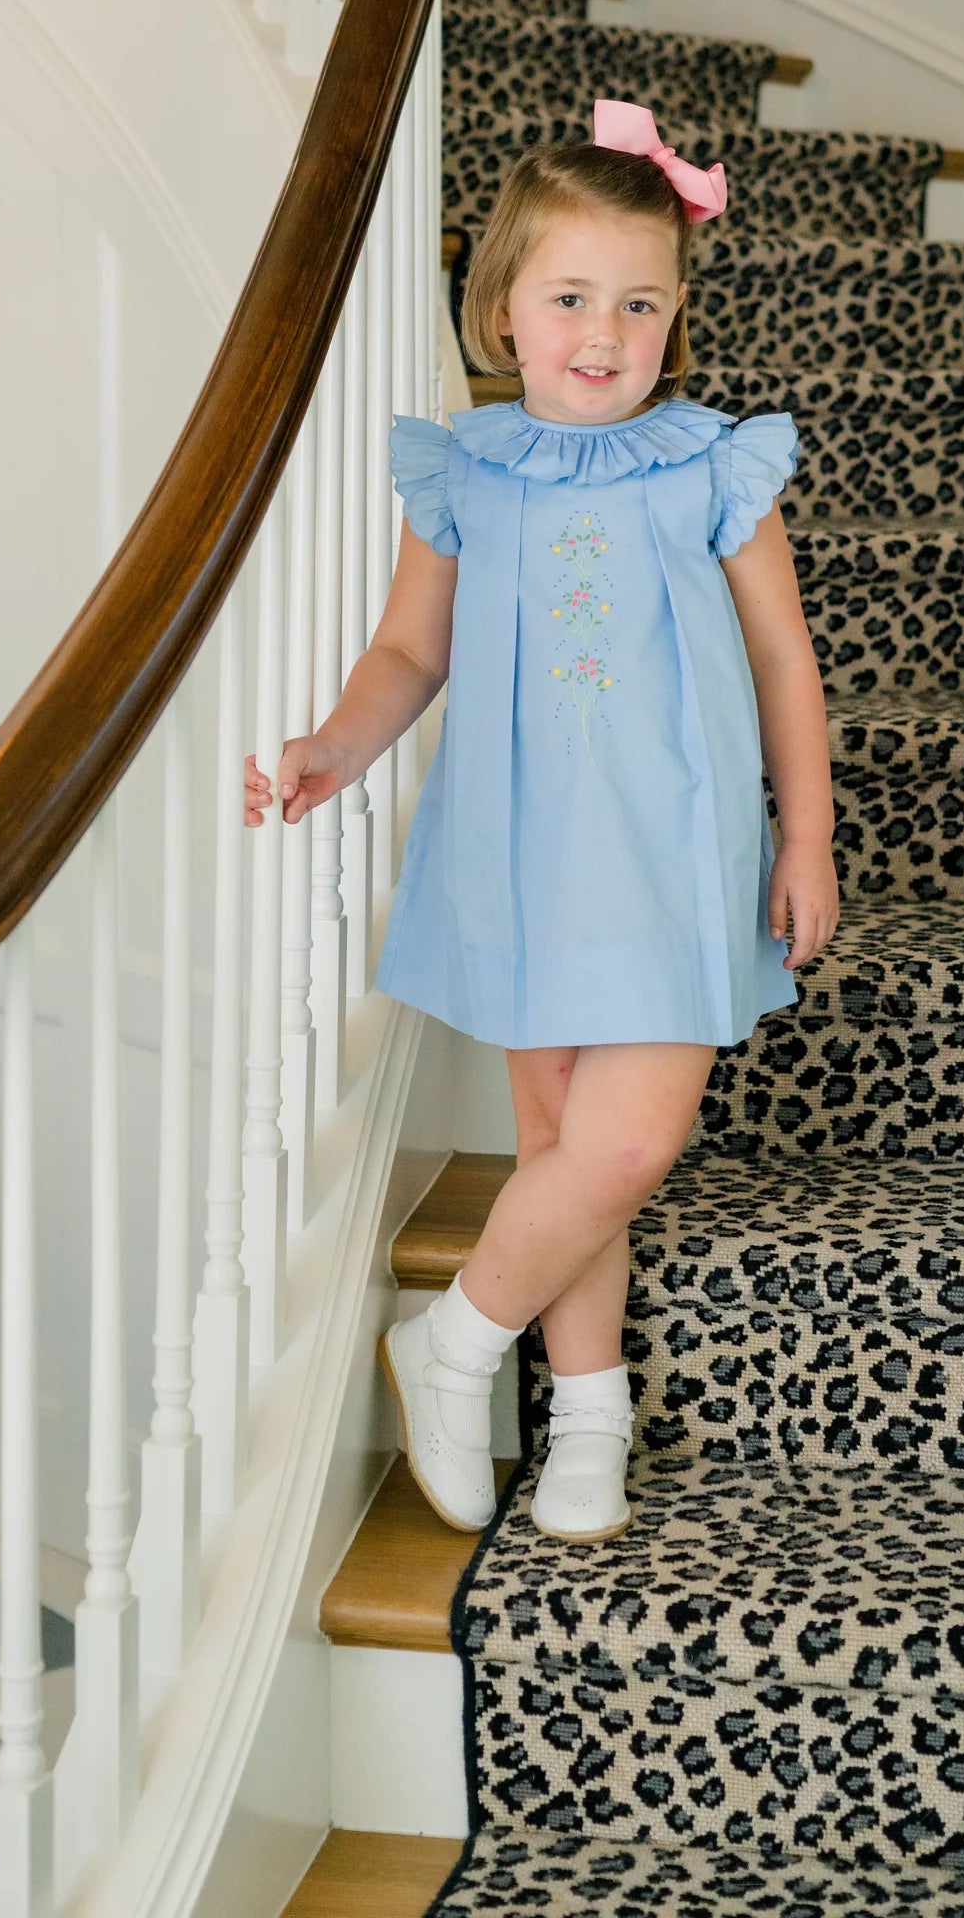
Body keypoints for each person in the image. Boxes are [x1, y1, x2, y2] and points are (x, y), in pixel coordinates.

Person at [244, 99, 839, 1544]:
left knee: (627, 1146)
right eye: (571, 296)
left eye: (640, 302)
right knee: (563, 1147)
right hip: (521, 854)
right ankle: (586, 1419)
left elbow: (780, 660)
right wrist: (334, 743)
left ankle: (450, 1341)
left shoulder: (710, 464)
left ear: (676, 316)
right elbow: (411, 654)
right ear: (504, 308)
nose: (605, 329)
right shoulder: (469, 468)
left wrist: (807, 835)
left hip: (678, 857)